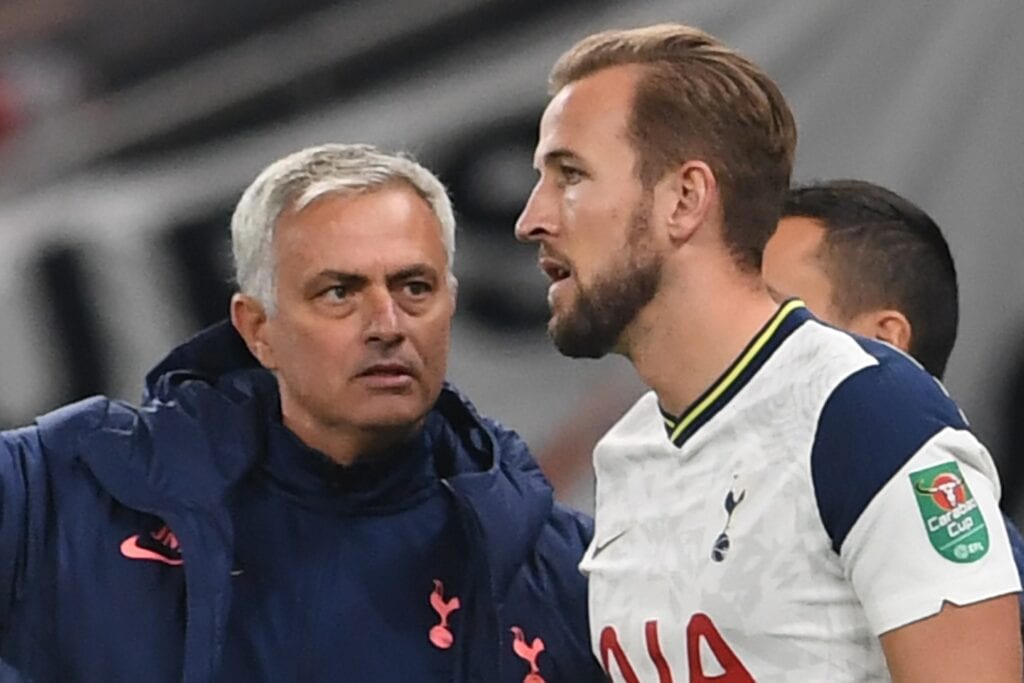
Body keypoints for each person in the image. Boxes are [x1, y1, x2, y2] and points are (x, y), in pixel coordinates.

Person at [515, 23, 1021, 681]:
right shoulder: (628, 452)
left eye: (570, 174)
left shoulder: (866, 413)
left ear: (685, 199)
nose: (531, 217)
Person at [0, 143, 606, 682]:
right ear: (258, 330)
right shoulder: (63, 492)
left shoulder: (566, 572)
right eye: (339, 292)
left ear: (449, 302)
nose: (387, 326)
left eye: (413, 287)